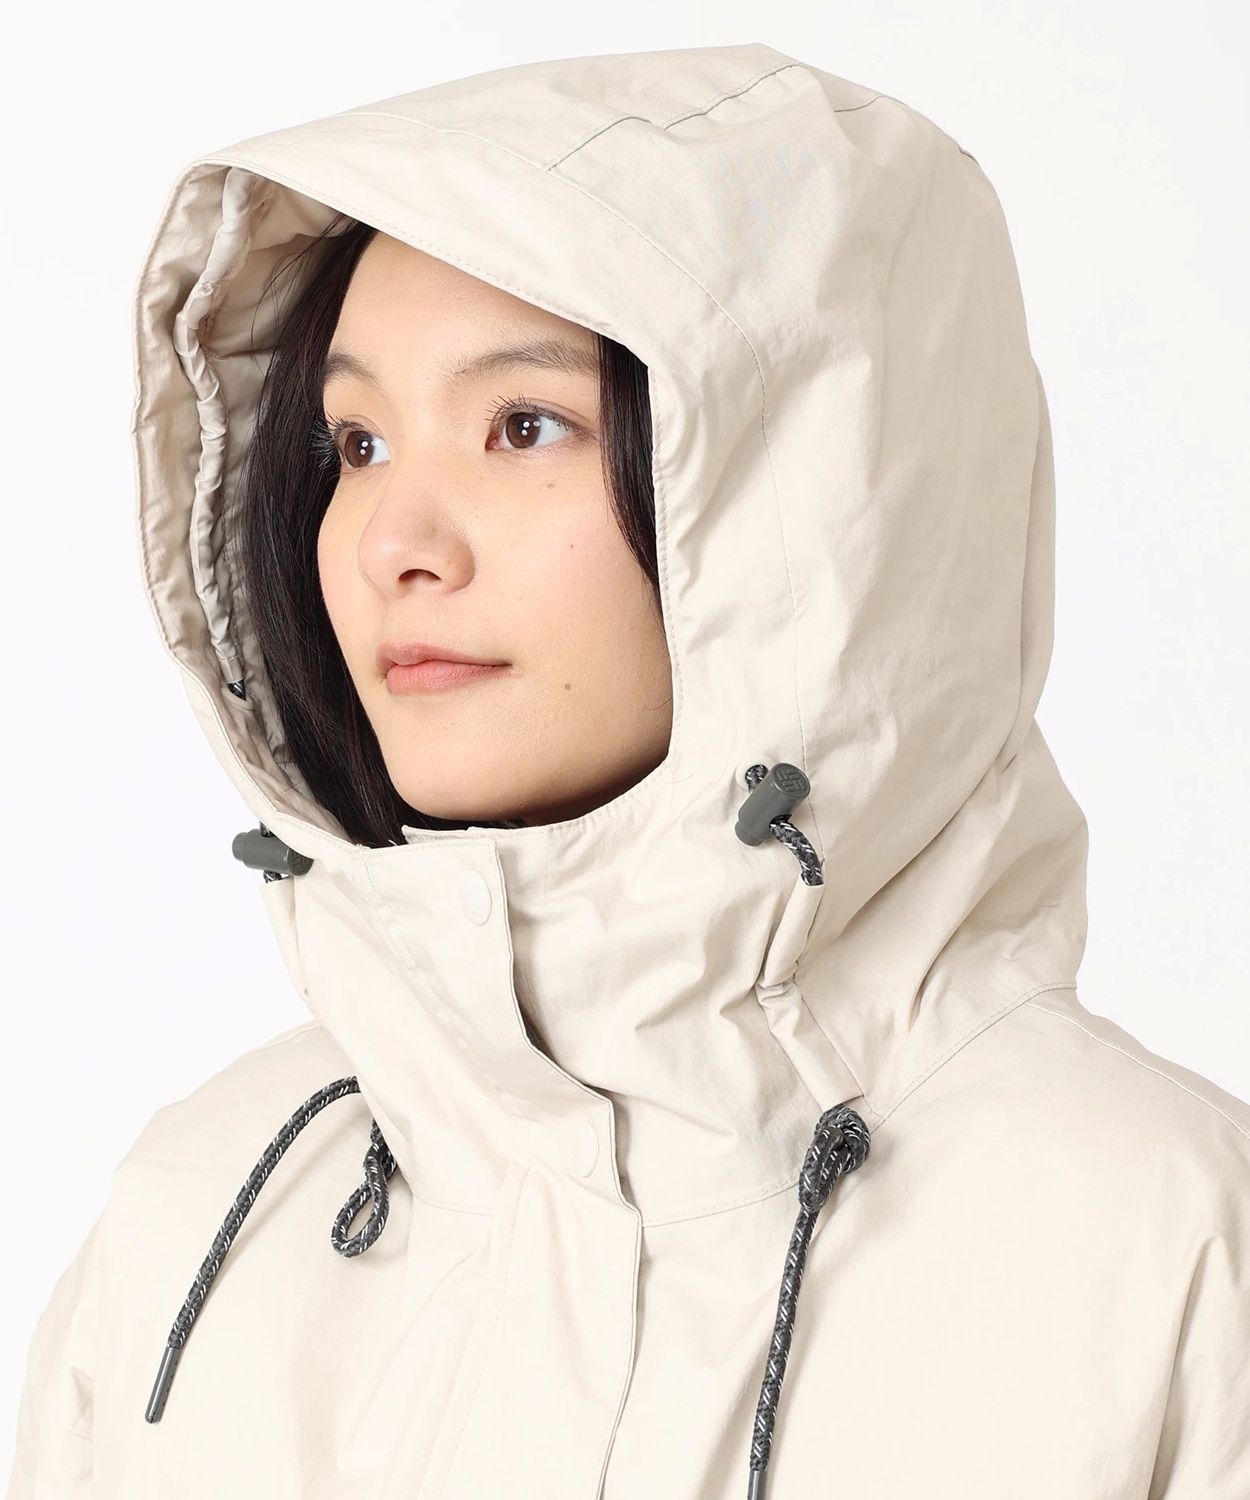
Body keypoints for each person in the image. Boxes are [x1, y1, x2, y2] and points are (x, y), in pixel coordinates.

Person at [8, 41, 1249, 1500]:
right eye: (358, 441)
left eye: (522, 427)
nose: (396, 541)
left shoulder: (1161, 1250)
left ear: (813, 493)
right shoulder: (198, 1215)